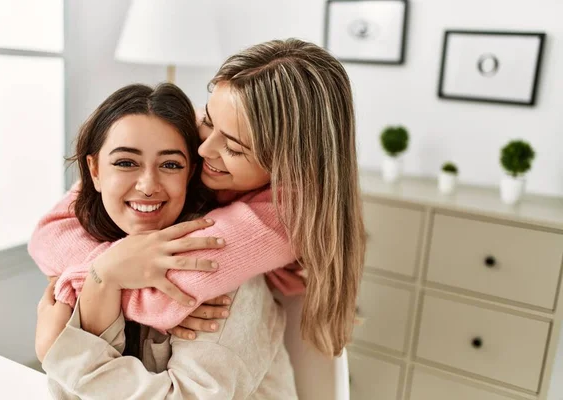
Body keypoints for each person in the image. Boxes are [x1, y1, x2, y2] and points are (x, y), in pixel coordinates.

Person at [32, 39, 365, 366]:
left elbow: (163, 301)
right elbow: (50, 232)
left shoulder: (288, 212)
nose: (203, 149)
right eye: (207, 119)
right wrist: (107, 266)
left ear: (288, 164)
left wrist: (92, 279)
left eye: (234, 148)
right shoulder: (200, 134)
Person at [38, 81, 299, 398]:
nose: (148, 185)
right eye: (125, 162)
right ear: (94, 171)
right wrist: (103, 274)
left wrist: (67, 348)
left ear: (190, 173)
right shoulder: (91, 256)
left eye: (171, 164)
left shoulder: (215, 270)